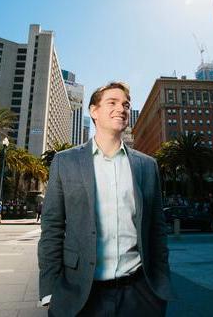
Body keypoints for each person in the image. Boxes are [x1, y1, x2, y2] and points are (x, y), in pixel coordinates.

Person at [38, 82, 174, 317]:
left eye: (125, 104)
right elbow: (52, 229)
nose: (121, 108)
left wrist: (159, 287)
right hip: (81, 294)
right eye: (112, 102)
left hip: (140, 295)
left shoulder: (147, 166)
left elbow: (157, 229)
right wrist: (50, 292)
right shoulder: (64, 162)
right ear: (94, 111)